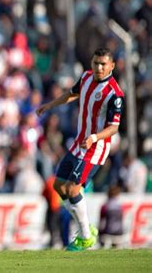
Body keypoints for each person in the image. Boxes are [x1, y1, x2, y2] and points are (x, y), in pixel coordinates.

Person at [36, 47, 124, 251]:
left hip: (95, 148)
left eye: (103, 64)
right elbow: (71, 94)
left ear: (111, 66)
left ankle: (85, 235)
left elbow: (114, 127)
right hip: (79, 143)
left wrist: (95, 137)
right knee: (59, 186)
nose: (99, 67)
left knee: (73, 188)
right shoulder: (85, 77)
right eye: (96, 63)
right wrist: (50, 105)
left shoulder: (114, 93)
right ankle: (87, 229)